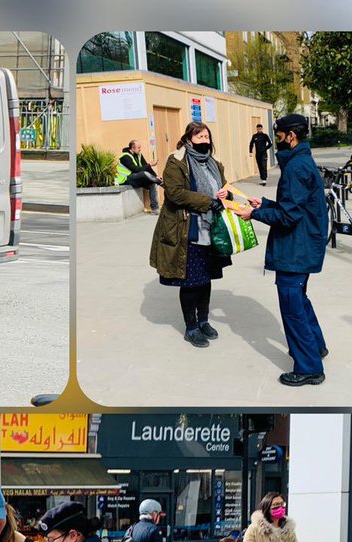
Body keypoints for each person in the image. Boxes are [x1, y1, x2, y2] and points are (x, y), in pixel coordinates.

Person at [245, 113, 330, 387]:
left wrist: (253, 214)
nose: (277, 141)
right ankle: (316, 346)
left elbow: (289, 216)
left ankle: (309, 368)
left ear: (290, 136)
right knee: (300, 301)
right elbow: (293, 205)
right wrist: (265, 204)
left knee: (292, 307)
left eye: (279, 136)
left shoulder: (295, 168)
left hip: (296, 249)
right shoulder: (301, 161)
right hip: (303, 244)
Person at [150, 122, 233, 349]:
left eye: (207, 136)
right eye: (199, 136)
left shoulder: (214, 163)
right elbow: (175, 194)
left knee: (205, 279)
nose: (204, 140)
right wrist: (208, 202)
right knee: (190, 282)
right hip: (187, 228)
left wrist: (227, 193)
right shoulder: (177, 161)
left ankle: (204, 320)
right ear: (189, 138)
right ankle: (191, 327)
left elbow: (225, 188)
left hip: (211, 229)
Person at [117, 139, 161, 213]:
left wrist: (155, 176)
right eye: (138, 148)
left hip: (137, 178)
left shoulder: (139, 155)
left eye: (140, 147)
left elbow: (146, 167)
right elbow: (135, 169)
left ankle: (155, 209)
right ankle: (158, 181)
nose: (140, 149)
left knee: (152, 183)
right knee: (143, 173)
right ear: (132, 148)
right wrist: (149, 165)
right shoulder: (124, 157)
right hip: (126, 179)